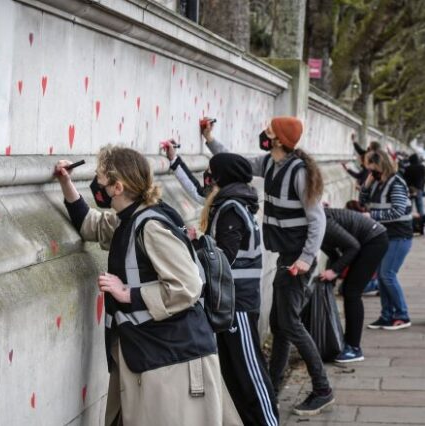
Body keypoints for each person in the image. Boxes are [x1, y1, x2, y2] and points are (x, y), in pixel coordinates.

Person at [55, 146, 223, 426]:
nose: (96, 185)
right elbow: (90, 225)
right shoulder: (129, 218)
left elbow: (188, 284)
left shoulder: (150, 226)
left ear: (118, 187)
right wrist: (65, 182)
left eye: (100, 179)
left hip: (172, 362)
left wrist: (127, 293)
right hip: (150, 355)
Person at [205, 116, 335, 416]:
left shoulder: (299, 173)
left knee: (288, 323)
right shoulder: (270, 164)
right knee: (279, 325)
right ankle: (272, 386)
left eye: (269, 130)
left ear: (279, 139)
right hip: (285, 257)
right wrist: (210, 140)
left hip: (297, 260)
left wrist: (305, 260)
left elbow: (318, 220)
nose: (264, 132)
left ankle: (322, 388)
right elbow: (235, 164)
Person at [163, 142, 279, 425]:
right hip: (230, 300)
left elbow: (224, 256)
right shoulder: (228, 201)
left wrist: (199, 242)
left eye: (211, 173)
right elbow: (198, 191)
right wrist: (174, 159)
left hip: (237, 302)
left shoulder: (230, 208)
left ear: (222, 176)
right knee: (234, 371)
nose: (208, 177)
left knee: (249, 372)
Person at [318, 208, 388, 362]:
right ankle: (348, 343)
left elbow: (353, 246)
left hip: (374, 241)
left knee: (352, 292)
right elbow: (334, 253)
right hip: (366, 242)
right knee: (348, 290)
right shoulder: (315, 224)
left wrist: (334, 271)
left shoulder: (323, 222)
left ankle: (354, 348)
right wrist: (332, 273)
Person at [360, 149, 413, 330]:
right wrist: (366, 184)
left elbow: (398, 210)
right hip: (384, 235)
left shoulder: (396, 183)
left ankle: (402, 315)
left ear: (382, 166)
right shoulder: (377, 182)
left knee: (387, 275)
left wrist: (372, 216)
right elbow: (362, 201)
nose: (371, 173)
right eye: (369, 170)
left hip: (399, 235)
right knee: (382, 277)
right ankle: (386, 316)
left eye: (373, 169)